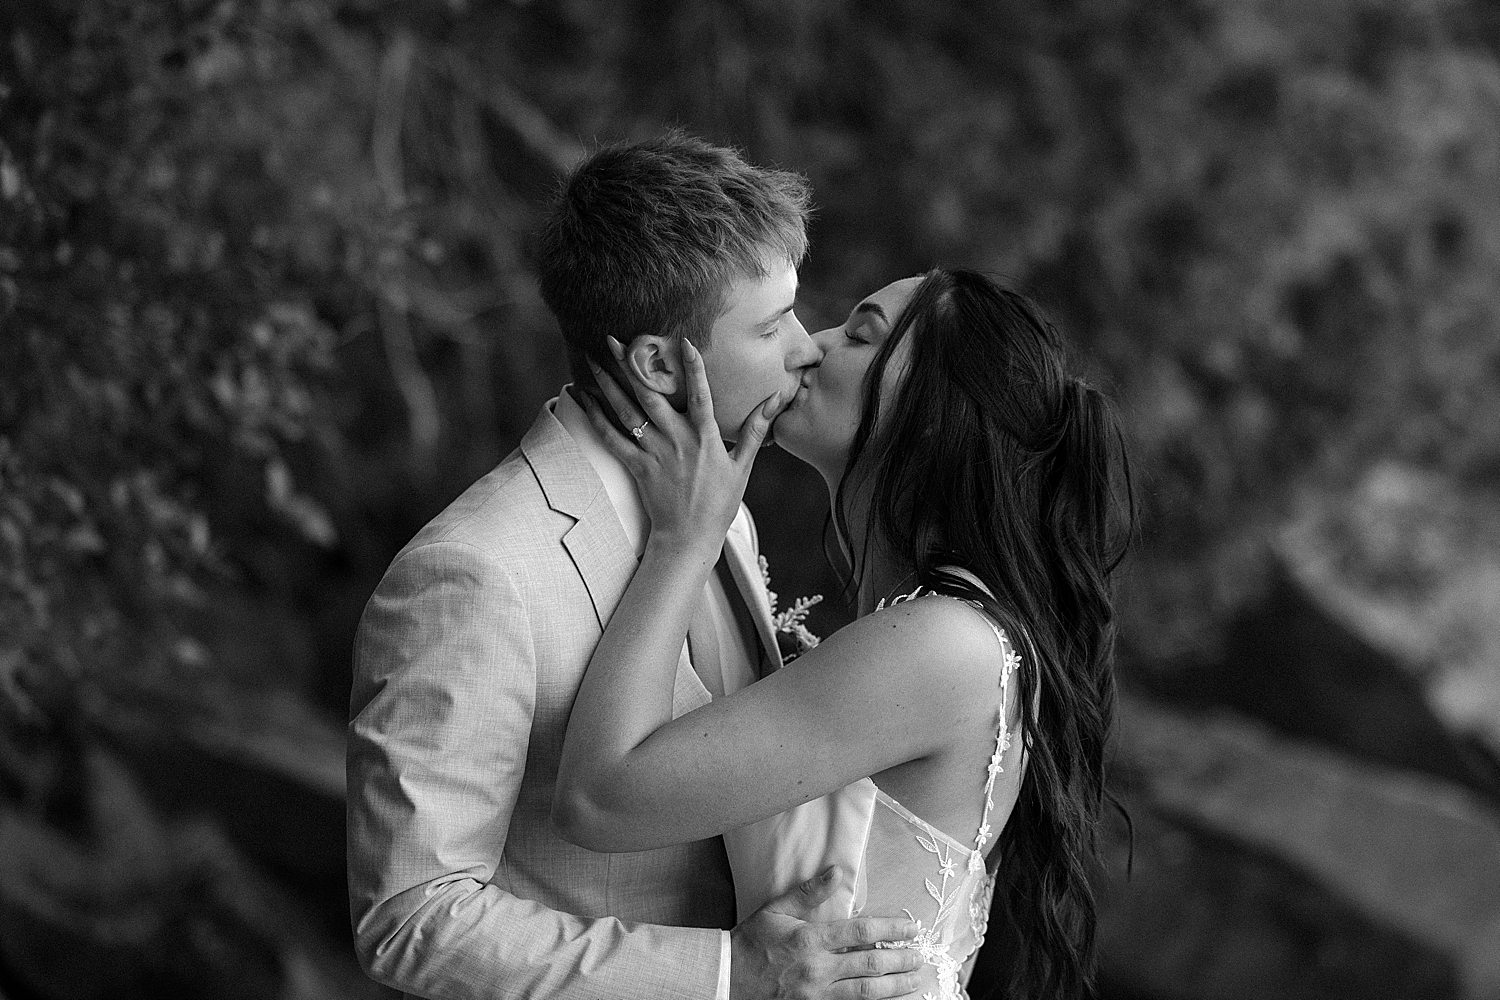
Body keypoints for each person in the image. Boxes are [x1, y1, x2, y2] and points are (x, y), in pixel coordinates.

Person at [346, 133, 926, 1000]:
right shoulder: (474, 571)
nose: (807, 348)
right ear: (660, 363)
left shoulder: (718, 507)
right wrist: (730, 972)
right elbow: (410, 916)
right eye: (771, 326)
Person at [554, 269, 1133, 1000]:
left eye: (858, 335)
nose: (806, 347)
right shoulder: (941, 628)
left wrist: (683, 540)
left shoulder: (943, 645)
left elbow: (599, 800)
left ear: (931, 413)